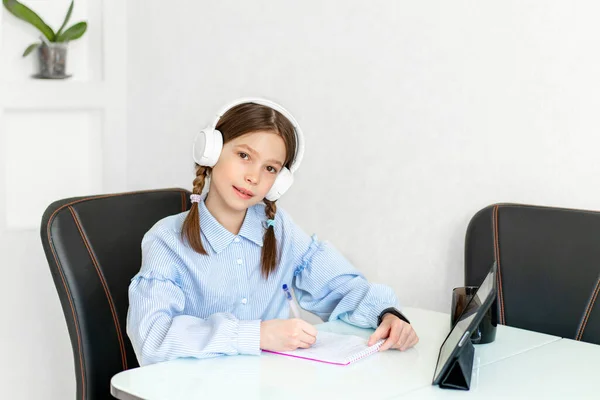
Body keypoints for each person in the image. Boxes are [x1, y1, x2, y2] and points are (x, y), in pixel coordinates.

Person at [126, 98, 419, 366]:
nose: (253, 176)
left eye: (270, 168)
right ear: (211, 151)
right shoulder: (166, 240)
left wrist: (387, 314)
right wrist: (256, 335)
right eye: (243, 155)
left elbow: (339, 287)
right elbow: (152, 337)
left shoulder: (278, 229)